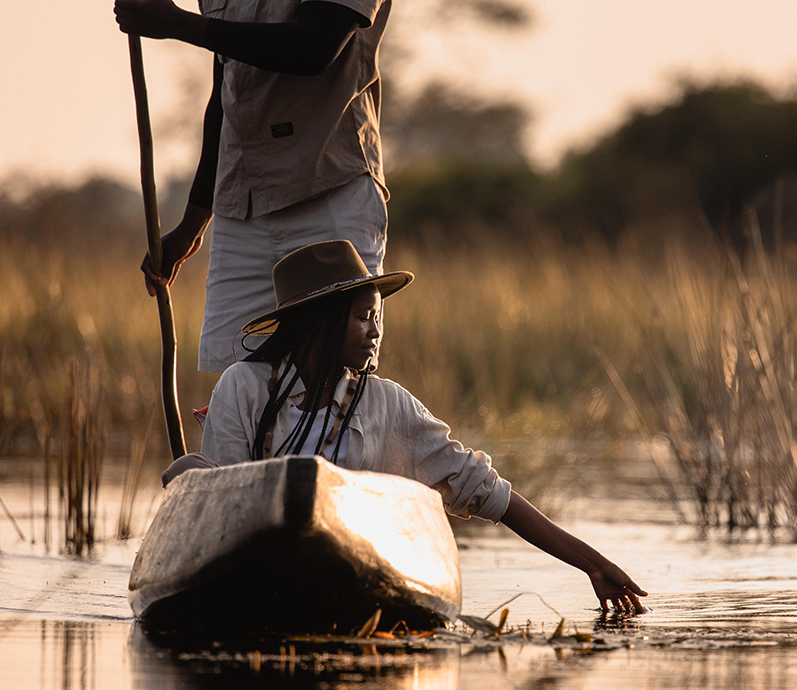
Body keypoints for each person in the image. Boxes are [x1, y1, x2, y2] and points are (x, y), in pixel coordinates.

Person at [161, 240, 649, 614]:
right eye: (362, 319)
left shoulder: (387, 404)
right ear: (319, 324)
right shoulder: (243, 386)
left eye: (377, 318)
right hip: (251, 571)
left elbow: (488, 493)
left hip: (341, 578)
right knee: (189, 470)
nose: (376, 332)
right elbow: (220, 499)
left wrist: (593, 563)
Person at [116, 0, 394, 373]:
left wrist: (179, 25)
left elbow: (314, 47)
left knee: (338, 381)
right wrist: (191, 227)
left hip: (329, 187)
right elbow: (225, 93)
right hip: (242, 205)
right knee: (240, 382)